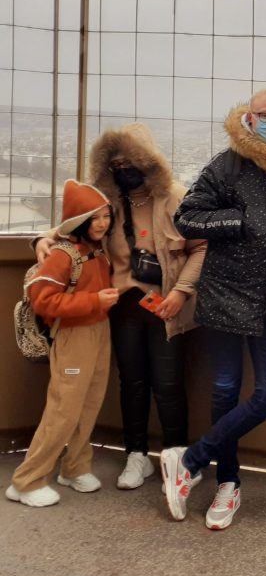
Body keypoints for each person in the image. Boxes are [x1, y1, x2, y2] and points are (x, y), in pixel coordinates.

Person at [161, 88, 266, 530]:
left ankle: (189, 460)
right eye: (265, 115)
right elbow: (187, 218)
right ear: (249, 119)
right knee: (224, 389)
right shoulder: (227, 165)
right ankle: (228, 483)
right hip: (228, 293)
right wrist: (238, 221)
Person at [34, 123, 207, 491]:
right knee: (132, 381)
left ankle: (178, 458)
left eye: (131, 162)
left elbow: (201, 246)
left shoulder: (175, 197)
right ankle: (137, 454)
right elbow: (72, 225)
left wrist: (181, 292)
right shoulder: (107, 202)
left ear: (149, 161)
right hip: (123, 304)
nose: (124, 170)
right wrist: (42, 238)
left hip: (166, 306)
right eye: (116, 164)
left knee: (168, 383)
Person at [6, 180, 119, 507]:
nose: (102, 223)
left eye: (106, 216)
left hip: (99, 330)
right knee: (63, 409)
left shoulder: (96, 248)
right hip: (74, 335)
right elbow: (43, 301)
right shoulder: (62, 254)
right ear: (79, 221)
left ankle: (75, 467)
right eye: (94, 217)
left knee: (89, 402)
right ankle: (26, 481)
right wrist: (94, 301)